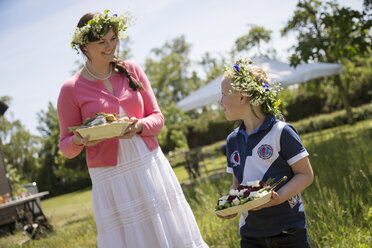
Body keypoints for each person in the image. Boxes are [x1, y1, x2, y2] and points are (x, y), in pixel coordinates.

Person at [57, 10, 208, 248]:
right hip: (111, 177)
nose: (110, 46)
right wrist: (81, 140)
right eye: (102, 42)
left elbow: (158, 118)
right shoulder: (71, 89)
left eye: (113, 38)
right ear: (84, 46)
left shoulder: (132, 70)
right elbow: (66, 147)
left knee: (168, 229)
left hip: (148, 163)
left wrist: (139, 125)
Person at [217, 57, 314, 248]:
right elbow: (237, 183)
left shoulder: (281, 132)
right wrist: (231, 204)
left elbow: (306, 175)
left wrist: (277, 199)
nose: (220, 102)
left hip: (289, 231)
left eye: (223, 94)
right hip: (251, 234)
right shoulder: (232, 140)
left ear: (242, 97)